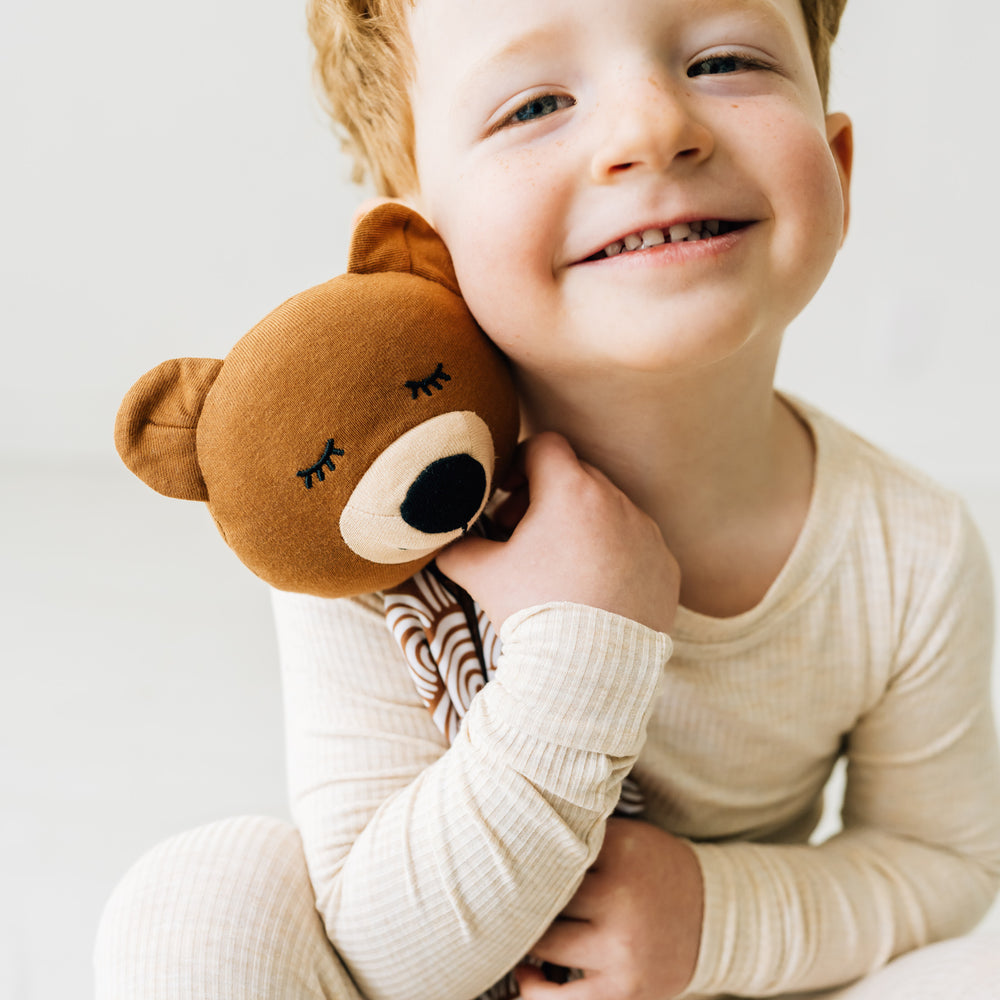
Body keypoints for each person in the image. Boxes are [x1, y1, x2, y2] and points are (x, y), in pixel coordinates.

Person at [94, 0, 1000, 997]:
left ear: (837, 167)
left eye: (725, 59)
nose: (652, 127)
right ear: (418, 245)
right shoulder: (367, 530)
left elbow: (947, 865)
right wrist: (585, 638)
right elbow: (391, 958)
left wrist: (713, 920)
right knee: (199, 900)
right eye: (534, 104)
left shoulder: (909, 548)